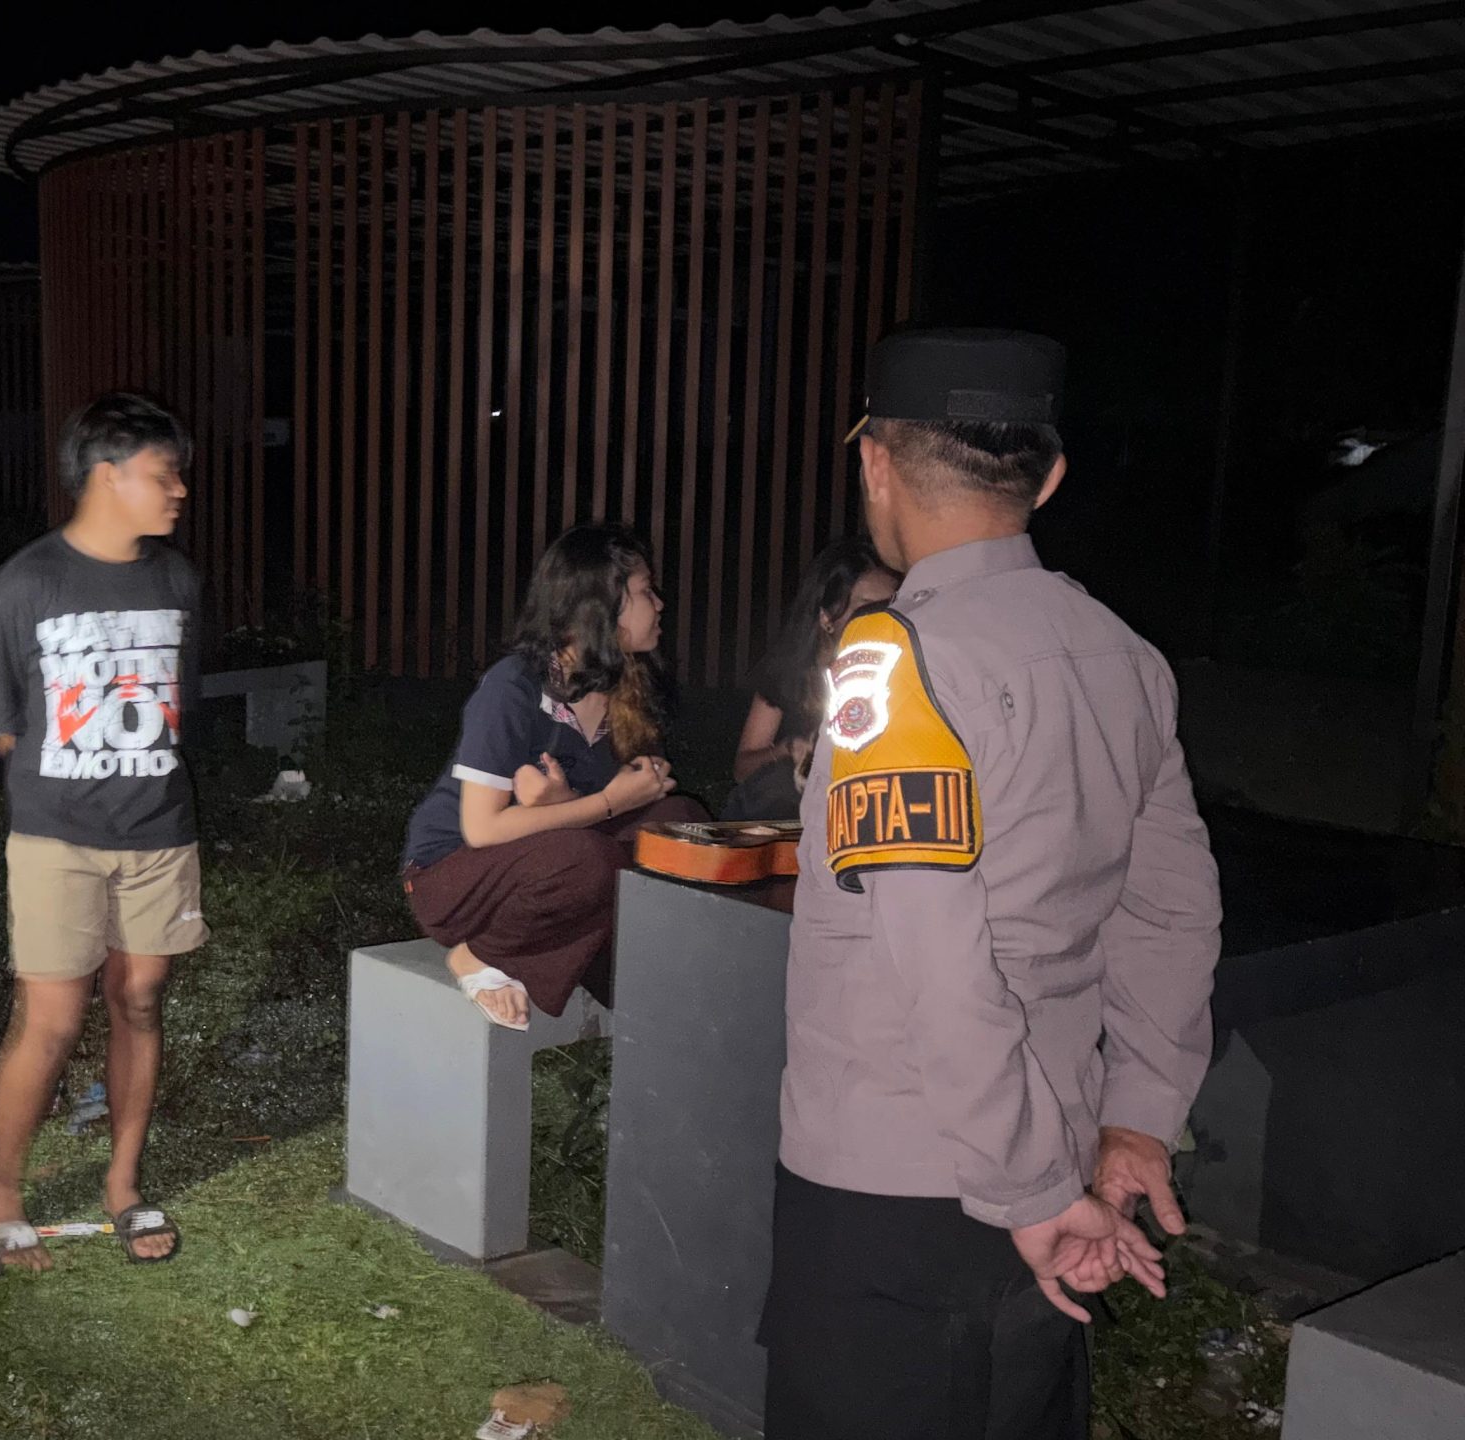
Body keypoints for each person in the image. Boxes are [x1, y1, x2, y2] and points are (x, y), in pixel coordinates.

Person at [761, 329, 1221, 1439]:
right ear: (1047, 477)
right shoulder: (1125, 656)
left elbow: (934, 956)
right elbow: (1170, 912)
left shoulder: (891, 662)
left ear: (875, 461)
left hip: (900, 1179)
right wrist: (1138, 1118)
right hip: (1060, 1152)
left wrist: (1026, 1193)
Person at [0, 392, 204, 1273]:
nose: (179, 489)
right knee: (52, 1019)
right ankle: (0, 1194)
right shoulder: (26, 583)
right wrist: (69, 778)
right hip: (55, 837)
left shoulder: (177, 581)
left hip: (160, 831)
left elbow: (180, 702)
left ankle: (123, 1184)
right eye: (164, 473)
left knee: (140, 999)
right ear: (107, 475)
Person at [399, 524, 702, 1030]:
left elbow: (631, 799)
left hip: (543, 857)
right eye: (646, 591)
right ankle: (480, 955)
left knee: (681, 821)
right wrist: (602, 804)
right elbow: (482, 829)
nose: (660, 603)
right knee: (587, 860)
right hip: (452, 875)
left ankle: (626, 977)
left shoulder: (626, 685)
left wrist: (571, 802)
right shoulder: (514, 687)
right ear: (600, 607)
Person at [721, 537, 900, 821]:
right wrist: (789, 749)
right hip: (791, 810)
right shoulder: (790, 670)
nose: (879, 619)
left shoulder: (899, 671)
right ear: (826, 617)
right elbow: (742, 768)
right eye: (866, 608)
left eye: (889, 607)